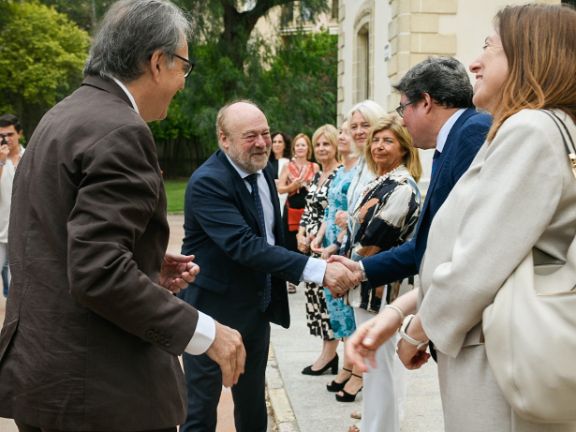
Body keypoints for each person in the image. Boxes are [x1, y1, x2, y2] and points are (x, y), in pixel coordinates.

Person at [0, 2, 246, 431]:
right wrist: (206, 333)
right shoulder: (121, 131)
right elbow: (99, 272)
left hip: (44, 382)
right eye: (183, 67)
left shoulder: (59, 117)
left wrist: (144, 266)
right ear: (156, 62)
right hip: (102, 394)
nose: (183, 84)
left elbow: (57, 245)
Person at [345, 4, 576, 432]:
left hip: (496, 362)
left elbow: (477, 263)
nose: (474, 63)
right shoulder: (544, 128)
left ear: (530, 56)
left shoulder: (529, 130)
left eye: (491, 47)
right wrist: (399, 313)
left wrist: (417, 331)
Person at [178, 100, 359, 432]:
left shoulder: (264, 171)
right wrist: (317, 271)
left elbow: (273, 237)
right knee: (201, 409)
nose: (261, 142)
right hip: (210, 312)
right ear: (224, 138)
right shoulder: (208, 182)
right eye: (250, 136)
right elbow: (245, 246)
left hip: (255, 310)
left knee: (251, 404)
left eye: (265, 133)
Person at [345, 115, 422, 432]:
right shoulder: (378, 182)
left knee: (381, 365)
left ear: (404, 148)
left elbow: (373, 241)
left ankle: (382, 427)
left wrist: (342, 269)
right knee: (377, 364)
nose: (378, 145)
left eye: (387, 140)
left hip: (381, 287)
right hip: (367, 284)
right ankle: (375, 424)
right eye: (376, 140)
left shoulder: (402, 187)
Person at [309, 120, 359, 393]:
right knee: (335, 307)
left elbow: (351, 213)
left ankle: (355, 372)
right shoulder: (340, 172)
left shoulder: (358, 171)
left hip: (345, 247)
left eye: (347, 132)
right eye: (341, 130)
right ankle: (347, 367)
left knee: (349, 308)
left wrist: (336, 244)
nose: (343, 136)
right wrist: (319, 236)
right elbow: (330, 211)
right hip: (329, 244)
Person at [297, 124, 342, 376]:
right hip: (311, 244)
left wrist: (317, 236)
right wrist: (301, 233)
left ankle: (330, 355)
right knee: (314, 298)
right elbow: (308, 209)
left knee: (328, 300)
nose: (322, 148)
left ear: (335, 145)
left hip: (328, 244)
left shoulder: (340, 174)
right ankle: (328, 352)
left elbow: (330, 212)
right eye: (319, 144)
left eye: (327, 143)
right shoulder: (316, 175)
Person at [277, 133, 319, 293]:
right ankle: (290, 280)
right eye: (298, 145)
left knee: (308, 241)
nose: (300, 148)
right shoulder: (288, 166)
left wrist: (309, 186)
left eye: (304, 145)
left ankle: (309, 276)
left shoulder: (314, 167)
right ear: (294, 148)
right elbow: (280, 188)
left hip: (309, 208)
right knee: (289, 243)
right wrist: (292, 186)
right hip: (291, 208)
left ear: (308, 148)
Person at [0, 114, 24, 297]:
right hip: (0, 230)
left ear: (19, 134)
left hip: (21, 230)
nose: (6, 139)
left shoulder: (30, 156)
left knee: (17, 277)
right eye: (1, 135)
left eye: (9, 134)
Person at [270, 132, 291, 213]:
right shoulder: (265, 163)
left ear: (285, 145)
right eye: (274, 142)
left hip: (286, 201)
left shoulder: (290, 163)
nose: (277, 144)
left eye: (280, 142)